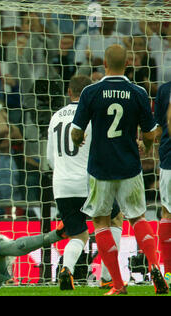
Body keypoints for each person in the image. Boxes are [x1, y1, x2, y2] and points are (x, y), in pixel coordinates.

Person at [71, 44, 169, 295]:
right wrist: (146, 146)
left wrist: (77, 139)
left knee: (101, 221)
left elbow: (76, 131)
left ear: (104, 63)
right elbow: (149, 133)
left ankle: (117, 284)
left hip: (100, 167)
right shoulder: (137, 92)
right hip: (129, 166)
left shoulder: (91, 91)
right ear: (128, 64)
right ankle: (155, 266)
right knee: (137, 217)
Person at [47, 75, 123, 290]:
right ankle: (108, 277)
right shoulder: (93, 115)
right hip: (89, 181)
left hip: (61, 184)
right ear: (90, 92)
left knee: (78, 233)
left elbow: (50, 159)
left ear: (69, 92)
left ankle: (67, 269)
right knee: (114, 219)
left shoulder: (55, 117)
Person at [153, 80, 171, 278]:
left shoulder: (165, 90)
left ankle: (169, 273)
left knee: (167, 214)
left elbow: (157, 127)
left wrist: (145, 140)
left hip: (169, 160)